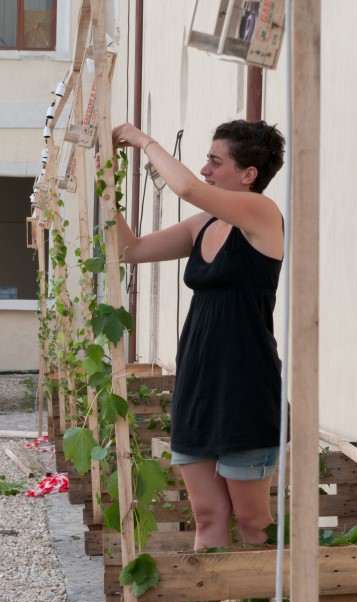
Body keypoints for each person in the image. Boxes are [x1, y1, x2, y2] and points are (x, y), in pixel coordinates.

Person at [111, 119, 285, 552]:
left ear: (248, 175)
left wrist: (144, 141)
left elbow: (186, 187)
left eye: (214, 161)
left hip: (246, 388)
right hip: (197, 385)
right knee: (207, 517)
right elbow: (130, 250)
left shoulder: (262, 214)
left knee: (253, 522)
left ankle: (272, 598)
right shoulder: (202, 225)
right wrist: (104, 190)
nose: (205, 169)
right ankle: (209, 598)